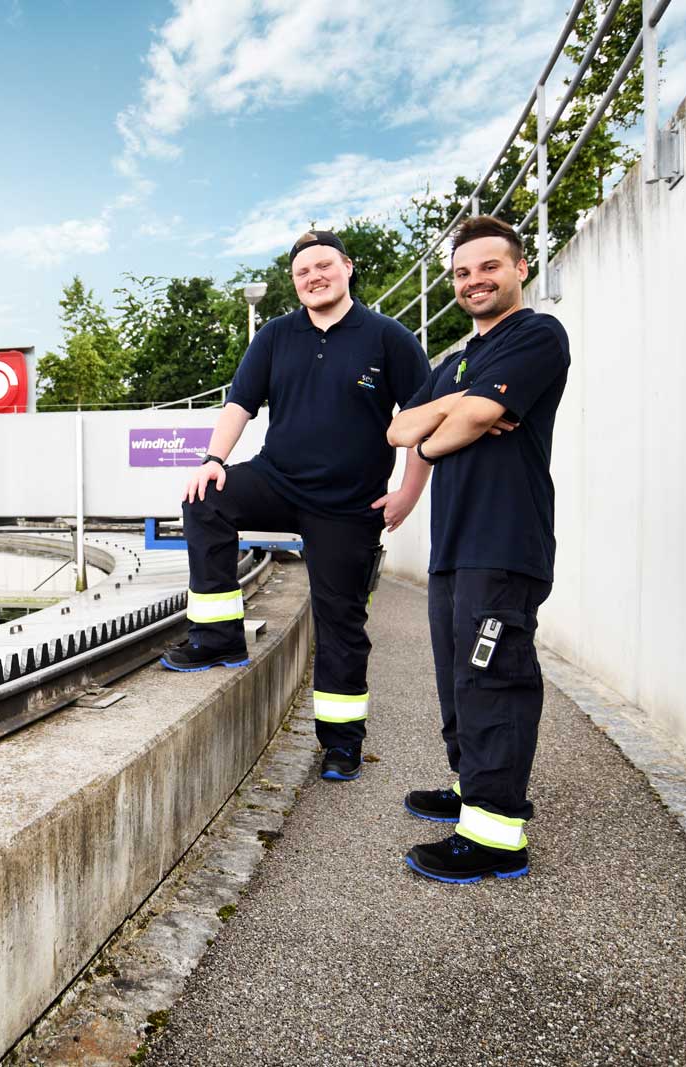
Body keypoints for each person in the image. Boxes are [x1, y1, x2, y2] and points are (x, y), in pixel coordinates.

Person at [165, 230, 431, 783]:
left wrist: (409, 490)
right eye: (302, 271)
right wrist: (214, 457)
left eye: (323, 266)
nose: (313, 276)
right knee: (205, 498)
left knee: (342, 624)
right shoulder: (275, 335)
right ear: (295, 282)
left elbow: (427, 416)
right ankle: (217, 638)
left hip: (348, 506)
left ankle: (341, 743)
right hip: (278, 479)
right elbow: (240, 401)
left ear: (347, 268)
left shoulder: (388, 338)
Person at [386, 214, 570, 883]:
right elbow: (401, 426)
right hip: (454, 546)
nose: (474, 281)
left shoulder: (538, 335)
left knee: (495, 677)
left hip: (505, 539)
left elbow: (472, 420)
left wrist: (443, 428)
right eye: (462, 273)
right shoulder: (459, 360)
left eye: (488, 267)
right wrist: (450, 417)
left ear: (520, 268)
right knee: (457, 676)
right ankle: (472, 788)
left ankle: (497, 835)